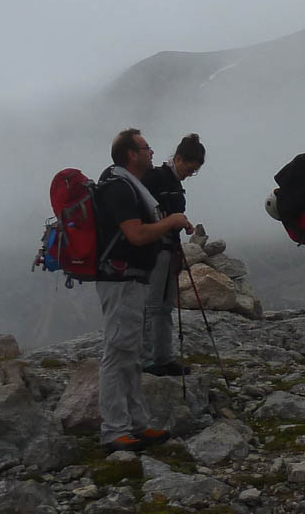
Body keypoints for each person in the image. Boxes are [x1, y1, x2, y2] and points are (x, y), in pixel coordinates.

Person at [93, 128, 194, 452]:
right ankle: (114, 430)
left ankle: (137, 424)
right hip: (120, 280)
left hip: (132, 279)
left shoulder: (129, 185)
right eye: (146, 148)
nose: (152, 152)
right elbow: (135, 235)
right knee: (118, 352)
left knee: (132, 352)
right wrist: (172, 221)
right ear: (131, 155)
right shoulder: (119, 187)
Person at [138, 133, 206, 377]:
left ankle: (163, 358)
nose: (190, 173)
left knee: (165, 305)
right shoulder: (155, 178)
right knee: (152, 305)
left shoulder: (172, 181)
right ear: (177, 158)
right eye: (189, 167)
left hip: (168, 248)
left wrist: (182, 223)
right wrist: (173, 222)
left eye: (194, 170)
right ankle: (147, 360)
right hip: (155, 249)